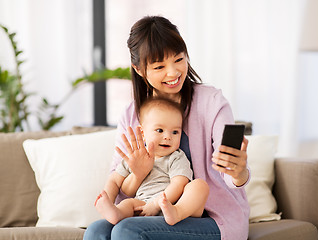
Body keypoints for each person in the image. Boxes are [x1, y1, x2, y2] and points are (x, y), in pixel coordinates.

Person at [84, 15, 250, 240]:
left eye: (179, 60)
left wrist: (238, 173)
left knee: (127, 231)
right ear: (139, 69)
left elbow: (230, 174)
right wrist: (138, 173)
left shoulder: (211, 102)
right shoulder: (131, 114)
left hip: (210, 217)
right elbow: (120, 182)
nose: (173, 73)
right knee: (96, 231)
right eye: (160, 66)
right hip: (148, 209)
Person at [94, 97, 209, 226]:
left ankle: (177, 213)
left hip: (173, 204)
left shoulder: (176, 157)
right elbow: (114, 180)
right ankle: (116, 214)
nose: (168, 136)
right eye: (160, 130)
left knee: (199, 185)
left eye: (175, 132)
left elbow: (179, 183)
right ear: (143, 133)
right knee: (128, 204)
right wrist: (108, 199)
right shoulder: (135, 156)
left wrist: (157, 204)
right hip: (143, 205)